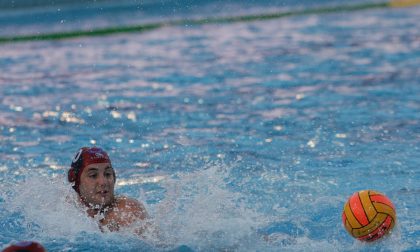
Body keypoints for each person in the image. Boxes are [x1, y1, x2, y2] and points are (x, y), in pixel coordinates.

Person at [68, 147, 149, 235]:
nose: (103, 182)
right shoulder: (65, 209)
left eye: (107, 174)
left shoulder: (128, 212)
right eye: (93, 175)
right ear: (75, 181)